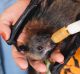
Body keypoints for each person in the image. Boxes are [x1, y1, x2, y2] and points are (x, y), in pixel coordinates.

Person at [0, 0, 64, 74]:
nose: (49, 47)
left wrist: (25, 1)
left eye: (40, 48)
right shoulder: (57, 36)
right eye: (48, 52)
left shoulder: (31, 24)